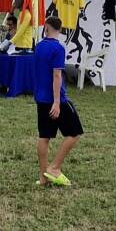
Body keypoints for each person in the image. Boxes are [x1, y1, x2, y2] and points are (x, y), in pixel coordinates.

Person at [34, 16, 83, 187]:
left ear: (46, 27)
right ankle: (54, 167)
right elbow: (56, 75)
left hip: (40, 98)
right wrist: (56, 102)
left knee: (44, 136)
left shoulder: (38, 47)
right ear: (60, 30)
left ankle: (43, 178)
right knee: (75, 132)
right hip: (57, 100)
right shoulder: (58, 48)